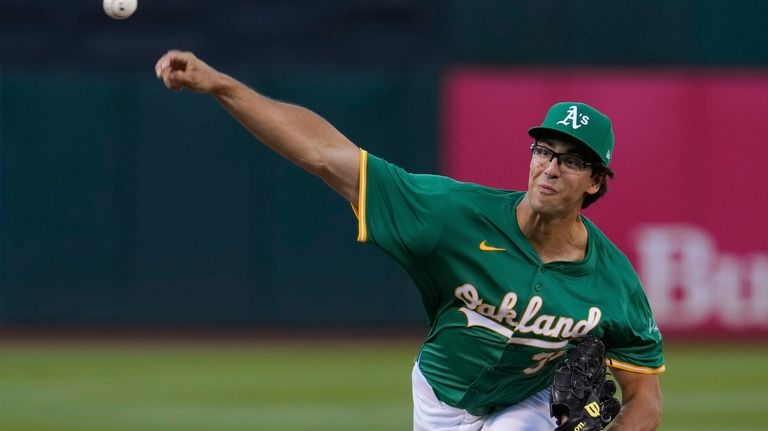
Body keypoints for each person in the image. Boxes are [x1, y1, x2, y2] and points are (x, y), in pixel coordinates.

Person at [155, 50, 665, 431]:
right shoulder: (452, 214)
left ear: (596, 181)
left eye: (572, 160)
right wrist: (221, 85)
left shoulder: (613, 281)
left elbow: (645, 394)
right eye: (544, 150)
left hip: (526, 403)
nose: (551, 166)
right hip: (439, 398)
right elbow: (324, 154)